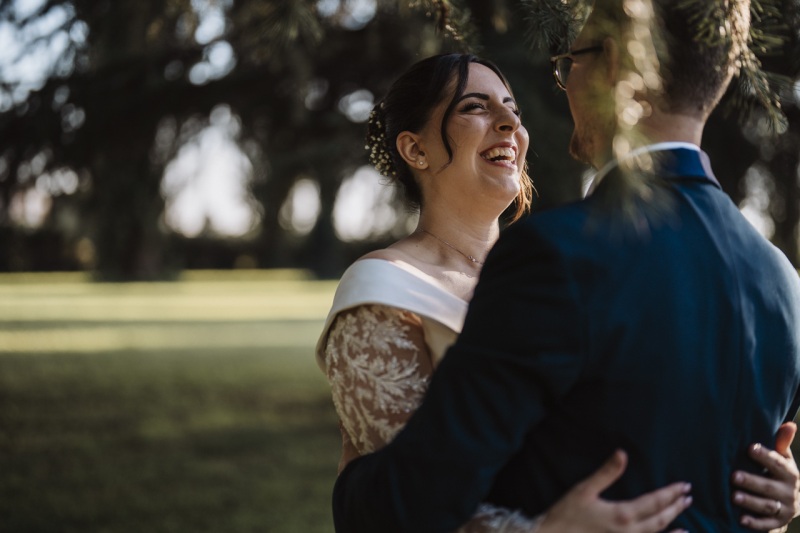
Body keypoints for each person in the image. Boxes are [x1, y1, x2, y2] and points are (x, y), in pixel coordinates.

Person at [327, 2, 800, 532]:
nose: (512, 121)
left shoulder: (556, 257)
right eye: (475, 107)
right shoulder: (782, 278)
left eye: (570, 60)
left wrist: (354, 484)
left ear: (615, 64)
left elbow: (411, 501)